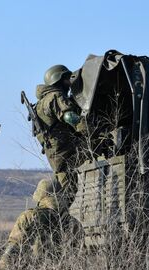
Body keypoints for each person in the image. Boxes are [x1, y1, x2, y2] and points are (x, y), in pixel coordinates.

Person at [0, 178, 82, 269]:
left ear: (40, 196)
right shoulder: (75, 223)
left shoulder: (29, 216)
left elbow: (13, 248)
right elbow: (77, 258)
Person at [35, 65, 86, 198]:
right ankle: (60, 217)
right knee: (69, 191)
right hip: (65, 151)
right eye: (67, 79)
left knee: (67, 188)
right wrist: (87, 129)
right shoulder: (55, 96)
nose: (69, 82)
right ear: (59, 79)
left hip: (56, 152)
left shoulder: (41, 102)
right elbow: (69, 116)